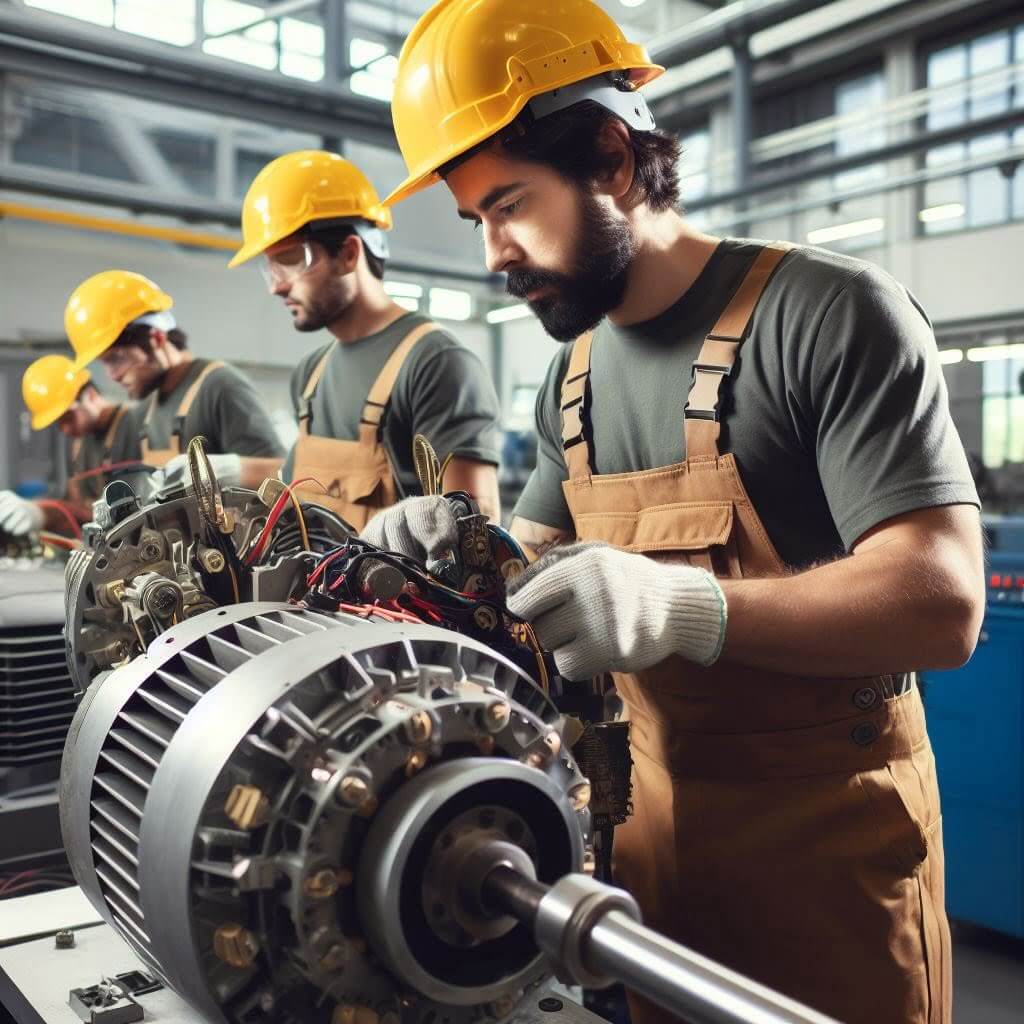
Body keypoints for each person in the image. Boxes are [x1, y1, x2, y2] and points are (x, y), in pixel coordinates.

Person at [364, 3, 986, 1022]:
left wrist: (683, 608)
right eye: (478, 220)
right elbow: (537, 561)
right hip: (645, 864)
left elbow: (942, 601)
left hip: (825, 868)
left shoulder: (828, 314)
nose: (493, 254)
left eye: (509, 205)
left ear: (610, 159)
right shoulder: (568, 376)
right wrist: (448, 549)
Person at [229, 150, 501, 529]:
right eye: (270, 268)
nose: (277, 286)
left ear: (348, 254)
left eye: (291, 260)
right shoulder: (310, 375)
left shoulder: (436, 363)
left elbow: (476, 547)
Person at [66, 270, 285, 485]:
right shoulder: (144, 412)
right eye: (105, 363)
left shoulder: (219, 387)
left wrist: (225, 471)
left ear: (157, 338)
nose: (113, 375)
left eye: (117, 359)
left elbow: (284, 474)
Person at [0, 355, 137, 536]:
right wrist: (37, 507)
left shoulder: (133, 425)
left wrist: (44, 514)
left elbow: (131, 514)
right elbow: (76, 505)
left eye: (67, 418)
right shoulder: (79, 443)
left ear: (90, 396)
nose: (64, 429)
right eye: (58, 423)